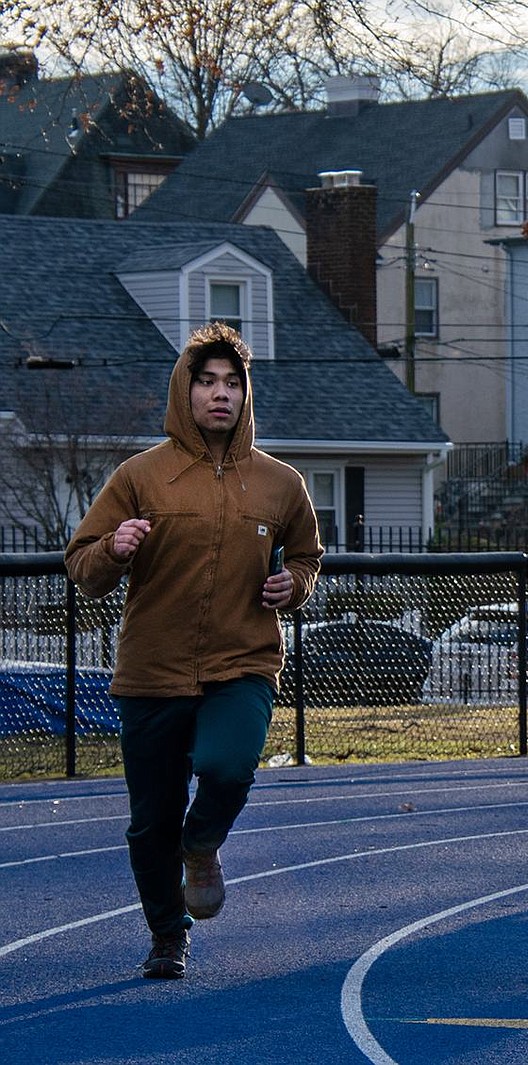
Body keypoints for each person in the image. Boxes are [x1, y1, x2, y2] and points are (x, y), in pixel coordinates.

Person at [65, 322, 322, 979]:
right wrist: (114, 548)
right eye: (207, 381)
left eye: (232, 383)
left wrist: (292, 582)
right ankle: (166, 934)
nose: (220, 394)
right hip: (151, 670)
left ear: (245, 395)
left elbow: (306, 556)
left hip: (242, 663)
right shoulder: (140, 476)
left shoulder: (279, 483)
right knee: (150, 823)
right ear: (186, 389)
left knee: (229, 764)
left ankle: (202, 842)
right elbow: (83, 566)